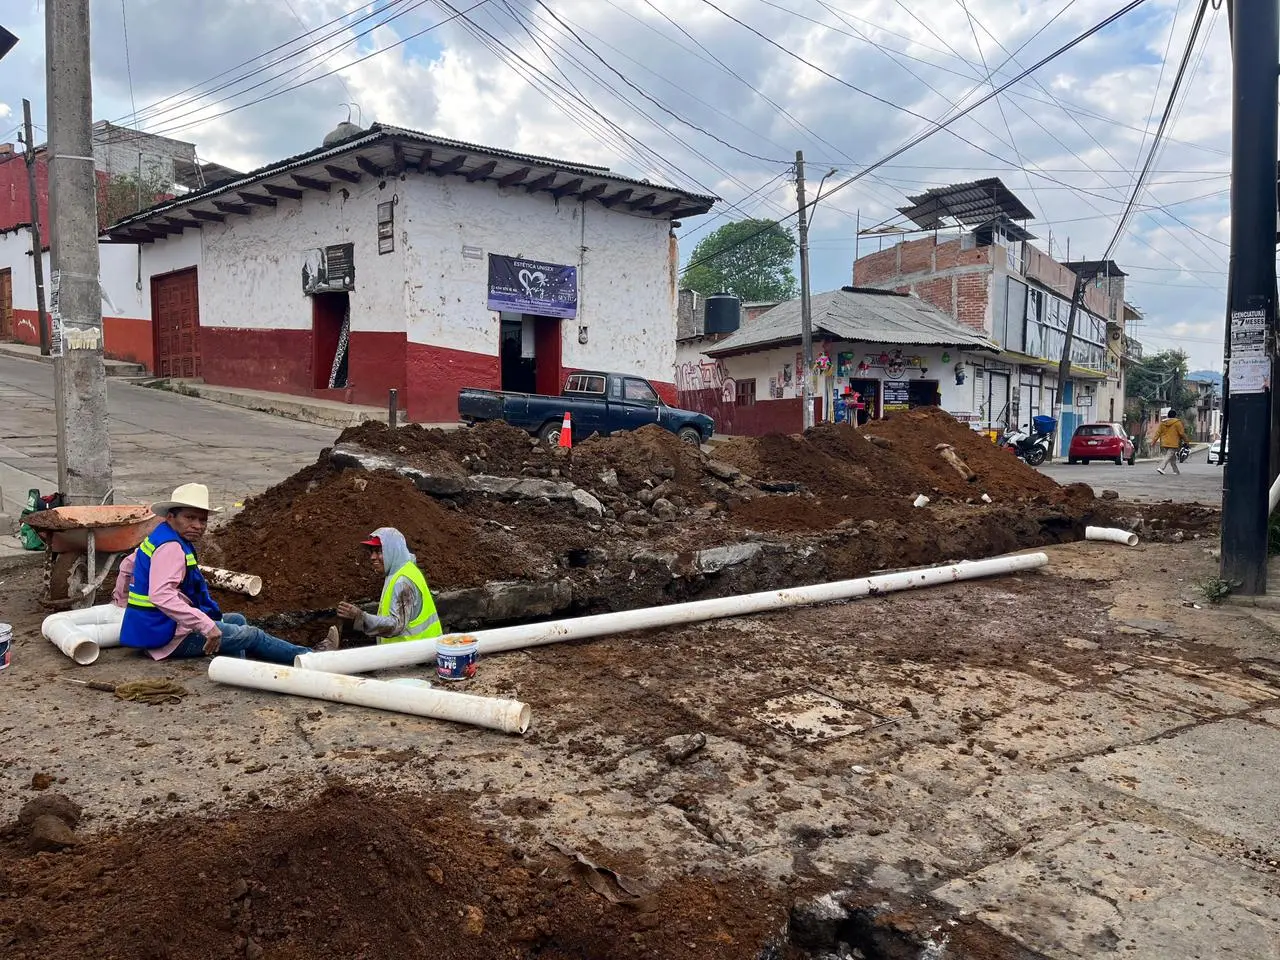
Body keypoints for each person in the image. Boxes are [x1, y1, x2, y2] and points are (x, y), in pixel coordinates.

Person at [114, 483, 337, 663]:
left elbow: (126, 566)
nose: (198, 525)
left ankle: (238, 669)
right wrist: (207, 626)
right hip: (169, 639)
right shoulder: (171, 548)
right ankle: (313, 659)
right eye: (190, 518)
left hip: (152, 629)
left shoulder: (158, 538)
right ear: (171, 517)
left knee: (238, 620)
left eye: (202, 520)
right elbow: (161, 595)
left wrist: (122, 603)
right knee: (251, 635)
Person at [336, 527, 443, 644]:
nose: (372, 557)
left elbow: (396, 625)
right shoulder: (405, 569)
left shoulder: (402, 582)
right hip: (422, 648)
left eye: (379, 551)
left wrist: (361, 617)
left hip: (415, 652)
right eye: (372, 552)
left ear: (393, 551)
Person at [1153, 408, 1188, 476]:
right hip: (1173, 443)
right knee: (1169, 456)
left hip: (1164, 442)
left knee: (1172, 457)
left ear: (1168, 415)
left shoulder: (1163, 423)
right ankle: (1161, 468)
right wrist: (1186, 441)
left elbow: (1158, 433)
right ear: (1175, 415)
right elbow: (1182, 433)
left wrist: (1154, 441)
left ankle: (1176, 471)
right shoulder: (1177, 423)